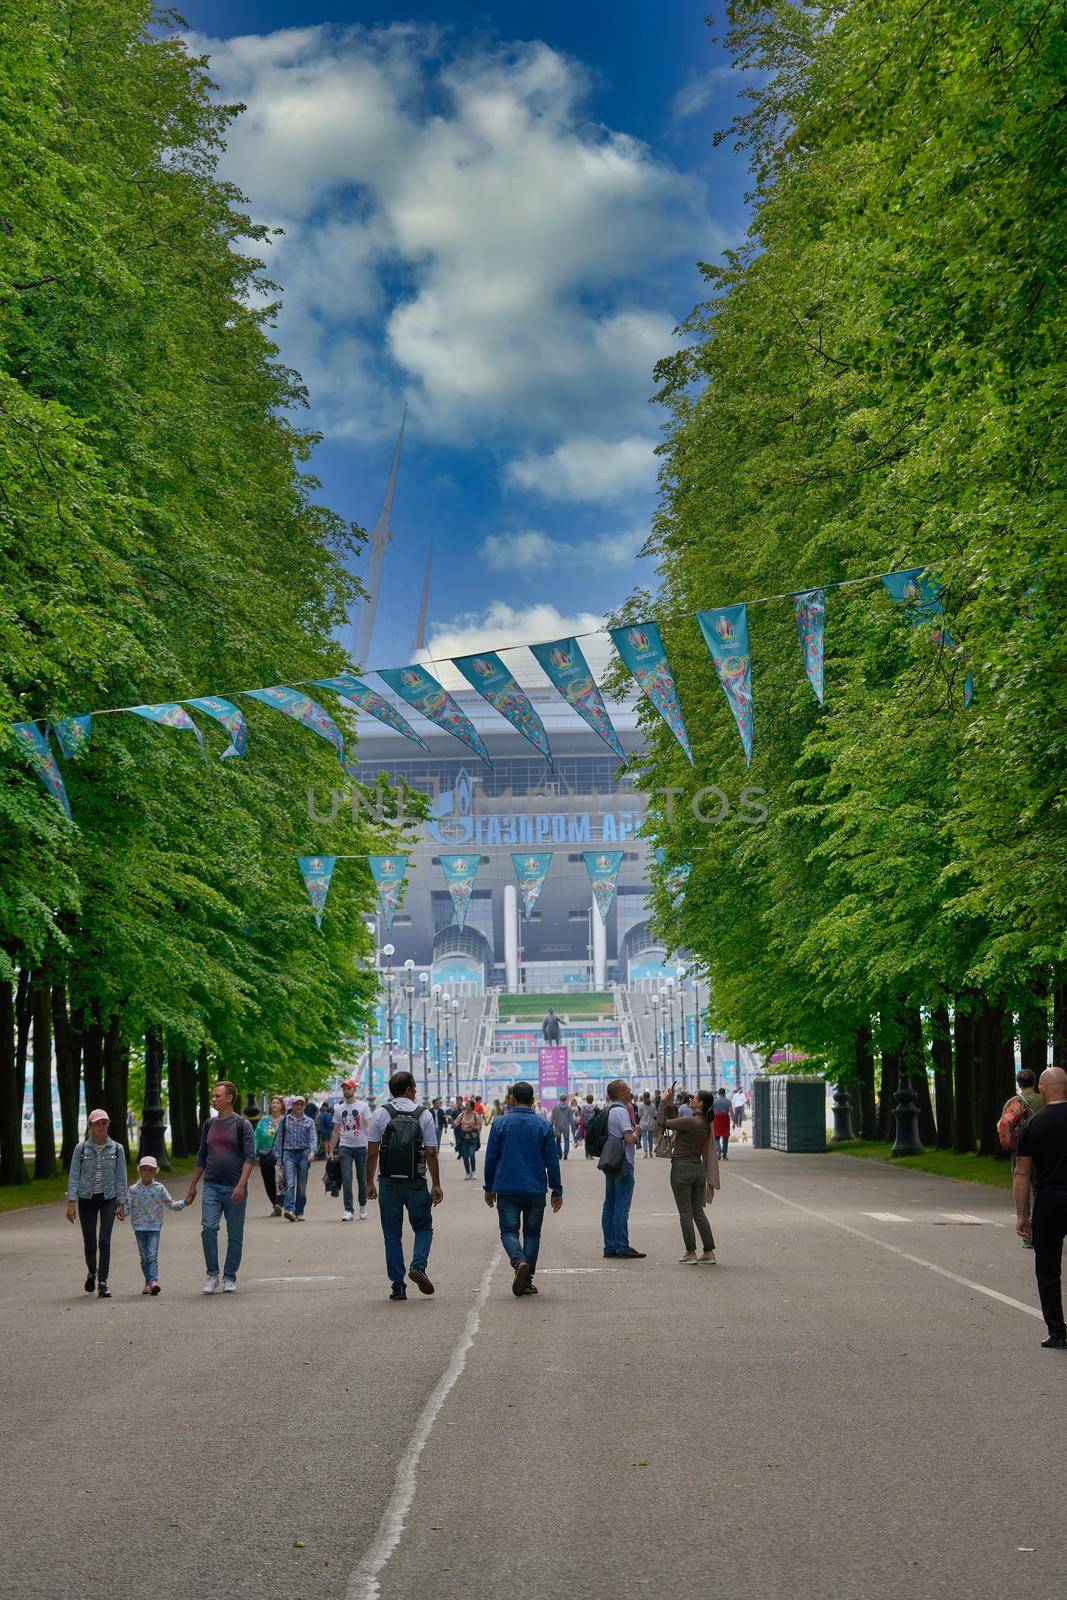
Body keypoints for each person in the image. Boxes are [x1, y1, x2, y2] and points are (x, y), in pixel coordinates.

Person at [366, 1071, 443, 1301]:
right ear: (409, 1090)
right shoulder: (424, 1115)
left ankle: (398, 1285)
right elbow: (430, 1152)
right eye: (415, 1088)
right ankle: (418, 1265)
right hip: (415, 1181)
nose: (416, 1092)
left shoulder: (381, 1113)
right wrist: (436, 1184)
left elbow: (371, 1153)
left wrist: (369, 1182)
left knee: (392, 1234)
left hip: (389, 1181)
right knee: (423, 1227)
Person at [483, 1080, 563, 1296]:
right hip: (535, 1189)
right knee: (532, 1235)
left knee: (508, 1231)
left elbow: (491, 1158)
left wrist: (489, 1187)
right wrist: (556, 1190)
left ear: (512, 1099)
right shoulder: (543, 1125)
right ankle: (526, 1280)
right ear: (533, 1100)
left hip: (507, 1187)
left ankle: (518, 1262)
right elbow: (552, 1161)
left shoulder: (500, 1124)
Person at [1014, 1067, 1067, 1349]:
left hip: (1048, 1199)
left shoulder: (1032, 1125)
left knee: (1048, 1269)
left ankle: (1057, 1333)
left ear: (1043, 1090)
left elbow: (1021, 1174)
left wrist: (1023, 1214)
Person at [185, 1080, 254, 1294]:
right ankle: (212, 1274)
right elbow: (201, 1156)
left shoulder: (242, 1125)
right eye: (213, 1096)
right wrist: (193, 1185)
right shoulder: (208, 1125)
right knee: (208, 1228)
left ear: (229, 1098)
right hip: (212, 1187)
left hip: (235, 1187)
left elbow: (249, 1158)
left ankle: (230, 1276)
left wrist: (241, 1186)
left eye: (217, 1096)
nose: (213, 1099)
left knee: (235, 1234)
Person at [65, 1108, 127, 1298]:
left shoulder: (117, 1149)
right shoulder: (81, 1148)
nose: (101, 1126)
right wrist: (71, 1203)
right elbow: (74, 1175)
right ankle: (92, 1272)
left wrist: (122, 1203)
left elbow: (121, 1178)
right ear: (91, 1126)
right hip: (86, 1199)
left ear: (108, 1125)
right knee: (90, 1244)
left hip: (108, 1199)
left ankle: (103, 1282)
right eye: (97, 1123)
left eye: (104, 1123)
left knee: (104, 1241)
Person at [656, 1086, 720, 1263]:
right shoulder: (704, 1124)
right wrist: (670, 1105)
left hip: (681, 1169)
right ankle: (709, 1252)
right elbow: (678, 1121)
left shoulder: (691, 1122)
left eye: (694, 1097)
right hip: (697, 1169)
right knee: (698, 1212)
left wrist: (662, 1100)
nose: (691, 1098)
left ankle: (690, 1252)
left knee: (685, 1212)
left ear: (700, 1104)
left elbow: (662, 1122)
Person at [125, 1155, 185, 1294]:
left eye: (150, 1170)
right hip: (139, 1228)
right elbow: (127, 1208)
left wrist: (183, 1203)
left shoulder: (159, 1188)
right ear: (139, 1171)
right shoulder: (133, 1190)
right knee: (144, 1257)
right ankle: (147, 1282)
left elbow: (170, 1203)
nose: (147, 1173)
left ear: (155, 1172)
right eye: (144, 1170)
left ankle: (153, 1282)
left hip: (154, 1228)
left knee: (152, 1256)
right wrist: (120, 1212)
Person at [999, 1068, 1045, 1249]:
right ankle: (1039, 1227)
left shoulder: (1013, 1102)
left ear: (1018, 1083)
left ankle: (1028, 1236)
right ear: (1034, 1082)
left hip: (1019, 1154)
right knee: (1039, 1190)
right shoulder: (1045, 1099)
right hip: (1042, 1152)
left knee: (1022, 1190)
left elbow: (1002, 1126)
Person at [600, 1079, 644, 1260]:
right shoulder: (621, 1111)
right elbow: (629, 1139)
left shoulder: (607, 1111)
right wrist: (637, 1131)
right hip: (623, 1162)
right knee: (621, 1206)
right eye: (628, 1090)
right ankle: (622, 1245)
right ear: (621, 1094)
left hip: (610, 1161)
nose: (630, 1092)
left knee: (608, 1206)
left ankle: (609, 1245)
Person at [328, 1078, 372, 1221]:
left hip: (361, 1146)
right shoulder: (339, 1109)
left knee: (362, 1178)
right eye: (344, 1089)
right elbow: (335, 1132)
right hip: (345, 1147)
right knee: (347, 1178)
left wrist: (370, 1144)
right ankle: (348, 1209)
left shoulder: (363, 1106)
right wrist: (330, 1150)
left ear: (354, 1090)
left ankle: (363, 1205)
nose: (346, 1091)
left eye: (349, 1088)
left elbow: (368, 1126)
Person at [274, 1094, 318, 1221]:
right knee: (290, 1183)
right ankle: (289, 1210)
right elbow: (279, 1140)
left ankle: (299, 1211)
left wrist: (312, 1152)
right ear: (292, 1106)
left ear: (304, 1106)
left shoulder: (309, 1122)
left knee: (301, 1186)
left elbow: (313, 1139)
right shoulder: (285, 1120)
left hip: (304, 1155)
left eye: (301, 1104)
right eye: (296, 1104)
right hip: (289, 1155)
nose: (299, 1106)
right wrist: (278, 1158)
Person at [254, 1095, 285, 1216]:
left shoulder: (285, 1120)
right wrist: (253, 1151)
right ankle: (275, 1204)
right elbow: (256, 1136)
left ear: (281, 1106)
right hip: (265, 1155)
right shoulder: (264, 1121)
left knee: (280, 1180)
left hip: (280, 1155)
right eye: (273, 1103)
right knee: (268, 1181)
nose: (275, 1105)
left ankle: (279, 1203)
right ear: (270, 1105)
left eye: (278, 1103)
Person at [456, 1099, 484, 1180]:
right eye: (466, 1104)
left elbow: (479, 1126)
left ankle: (473, 1172)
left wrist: (472, 1127)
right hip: (464, 1138)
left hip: (473, 1138)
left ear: (471, 1107)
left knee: (472, 1154)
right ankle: (468, 1173)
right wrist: (450, 1119)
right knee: (465, 1156)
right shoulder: (461, 1115)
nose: (465, 1106)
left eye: (467, 1105)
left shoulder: (476, 1115)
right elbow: (455, 1124)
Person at [551, 1093, 573, 1161]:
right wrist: (573, 1127)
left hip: (557, 1126)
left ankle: (559, 1154)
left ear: (559, 1099)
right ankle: (565, 1153)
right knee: (566, 1140)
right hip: (566, 1126)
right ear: (565, 1099)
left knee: (558, 1141)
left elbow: (553, 1117)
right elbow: (570, 1118)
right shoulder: (569, 1107)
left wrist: (551, 1125)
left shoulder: (555, 1106)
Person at [712, 1087, 732, 1159]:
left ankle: (718, 1148)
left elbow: (711, 1111)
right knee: (725, 1136)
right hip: (725, 1119)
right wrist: (734, 1122)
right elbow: (731, 1112)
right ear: (724, 1093)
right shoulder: (728, 1101)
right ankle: (724, 1154)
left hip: (716, 1119)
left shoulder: (714, 1101)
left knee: (716, 1136)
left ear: (718, 1093)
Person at [637, 1093, 657, 1157]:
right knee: (650, 1139)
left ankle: (645, 1153)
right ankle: (650, 1152)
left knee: (644, 1138)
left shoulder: (641, 1105)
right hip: (651, 1123)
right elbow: (655, 1115)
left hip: (643, 1123)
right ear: (649, 1096)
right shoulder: (653, 1105)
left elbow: (639, 1115)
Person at [582, 1094, 599, 1159]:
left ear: (586, 1100)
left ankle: (586, 1153)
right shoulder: (595, 1107)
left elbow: (582, 1115)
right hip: (593, 1125)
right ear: (592, 1100)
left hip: (586, 1125)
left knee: (586, 1139)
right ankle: (591, 1154)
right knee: (592, 1139)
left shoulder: (583, 1107)